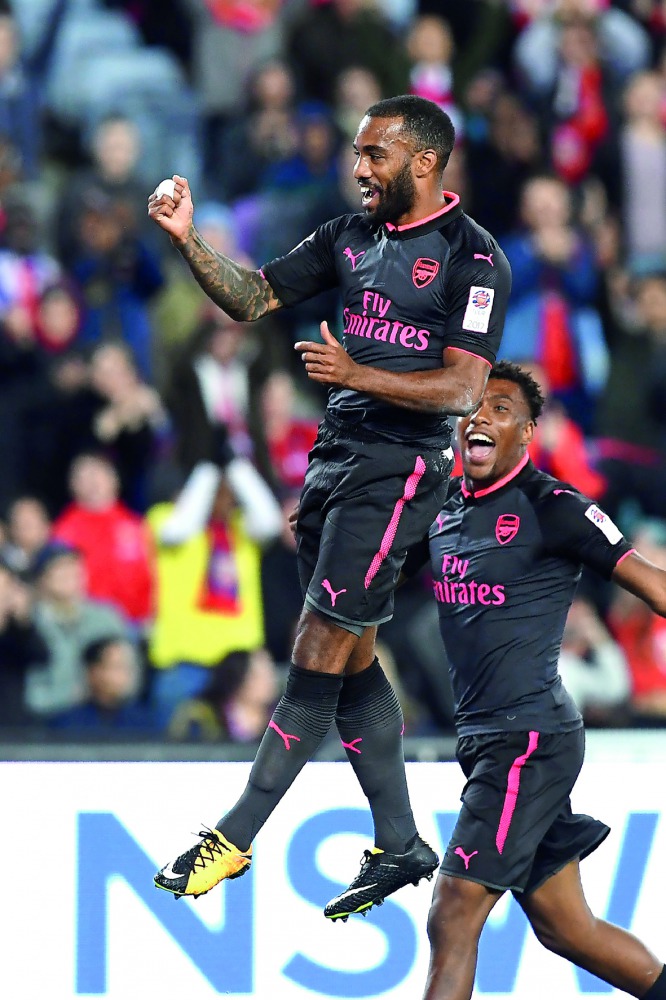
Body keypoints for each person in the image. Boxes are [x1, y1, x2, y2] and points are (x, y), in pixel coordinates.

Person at [147, 94, 512, 912]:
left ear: (423, 162)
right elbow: (252, 297)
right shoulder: (346, 237)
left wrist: (358, 375)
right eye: (357, 153)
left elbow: (463, 386)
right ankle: (401, 842)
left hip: (402, 469)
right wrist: (188, 242)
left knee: (318, 641)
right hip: (333, 461)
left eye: (374, 155)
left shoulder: (472, 258)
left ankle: (235, 834)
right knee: (346, 656)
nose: (359, 169)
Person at [391, 361, 666, 1000]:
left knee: (454, 907)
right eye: (474, 408)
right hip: (487, 740)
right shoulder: (443, 512)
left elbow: (651, 584)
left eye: (502, 409)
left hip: (528, 740)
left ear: (528, 433)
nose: (481, 418)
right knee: (566, 927)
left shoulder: (556, 507)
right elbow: (376, 569)